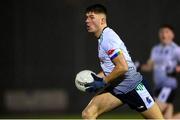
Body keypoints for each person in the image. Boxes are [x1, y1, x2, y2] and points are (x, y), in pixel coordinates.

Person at [82, 4, 163, 119]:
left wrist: (103, 81)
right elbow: (111, 67)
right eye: (86, 17)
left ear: (102, 20)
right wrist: (95, 78)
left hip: (133, 87)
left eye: (91, 17)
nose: (87, 21)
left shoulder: (108, 38)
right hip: (117, 88)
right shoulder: (102, 38)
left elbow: (122, 67)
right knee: (88, 114)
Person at [141, 24, 180, 119]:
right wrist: (138, 66)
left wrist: (176, 69)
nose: (164, 34)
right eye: (162, 32)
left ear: (172, 35)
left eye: (167, 32)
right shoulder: (155, 49)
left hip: (168, 86)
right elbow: (150, 67)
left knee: (152, 112)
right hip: (158, 87)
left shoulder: (176, 49)